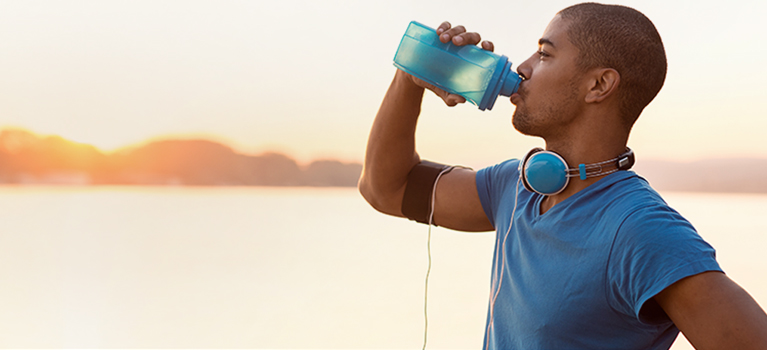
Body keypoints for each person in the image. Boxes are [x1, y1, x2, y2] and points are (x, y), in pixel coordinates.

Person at [358, 2, 767, 349]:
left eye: (544, 54)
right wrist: (410, 77)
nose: (521, 66)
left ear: (599, 85)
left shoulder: (642, 231)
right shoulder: (515, 188)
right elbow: (385, 188)